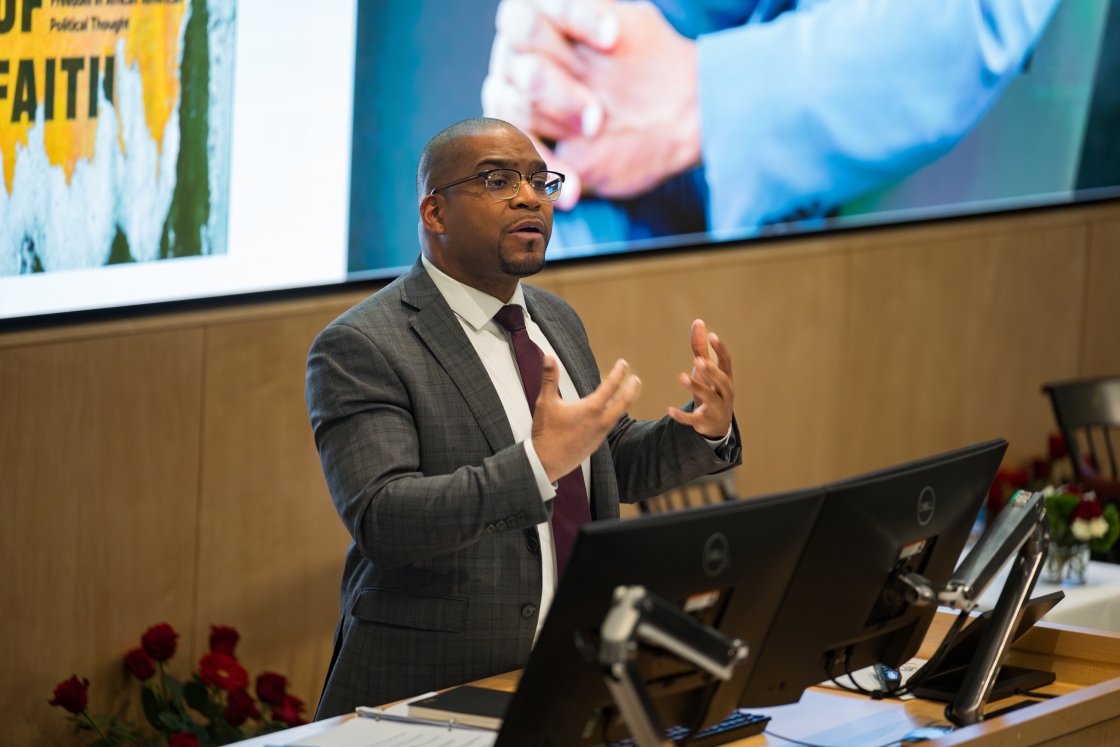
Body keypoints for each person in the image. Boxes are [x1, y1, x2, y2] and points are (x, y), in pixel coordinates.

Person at [306, 117, 741, 717]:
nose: (530, 196)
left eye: (541, 180)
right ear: (434, 213)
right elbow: (386, 519)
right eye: (497, 179)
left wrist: (702, 427)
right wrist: (538, 465)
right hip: (431, 688)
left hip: (566, 669)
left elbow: (609, 466)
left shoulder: (554, 319)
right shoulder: (363, 345)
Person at [483, 0, 1062, 242]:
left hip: (908, 258)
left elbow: (974, 20)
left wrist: (702, 98)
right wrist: (555, 52)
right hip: (601, 208)